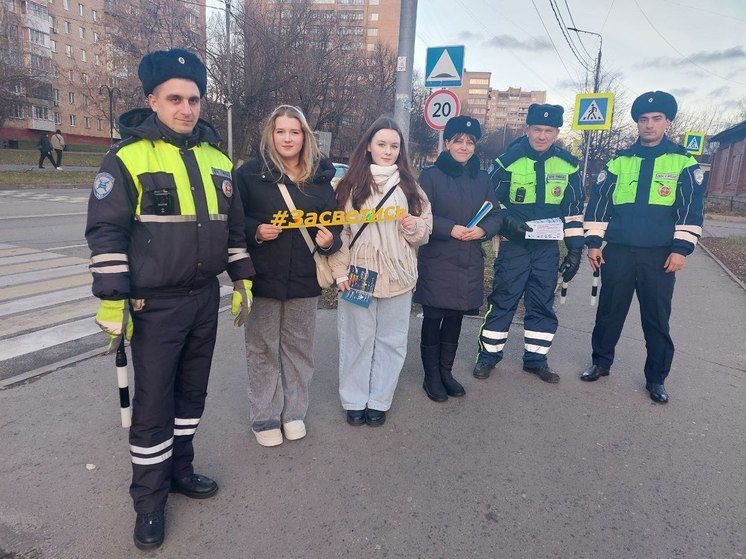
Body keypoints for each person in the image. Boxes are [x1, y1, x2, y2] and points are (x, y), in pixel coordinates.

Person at [85, 48, 255, 550]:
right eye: (175, 98)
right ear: (151, 100)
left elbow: (235, 230)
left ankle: (181, 472)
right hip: (153, 307)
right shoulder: (126, 158)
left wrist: (241, 280)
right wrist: (113, 298)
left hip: (204, 300)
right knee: (154, 406)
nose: (186, 108)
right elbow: (106, 232)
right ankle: (149, 500)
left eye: (194, 99)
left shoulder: (217, 159)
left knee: (191, 398)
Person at [581, 91, 705, 404]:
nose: (649, 125)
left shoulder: (683, 162)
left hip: (660, 255)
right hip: (619, 251)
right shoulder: (619, 161)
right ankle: (600, 362)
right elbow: (599, 203)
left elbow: (691, 208)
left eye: (656, 119)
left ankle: (656, 378)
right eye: (644, 119)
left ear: (668, 122)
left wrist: (681, 249)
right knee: (609, 313)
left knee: (656, 319)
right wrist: (594, 243)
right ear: (637, 123)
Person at [234, 105, 342, 447]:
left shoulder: (321, 178)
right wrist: (256, 231)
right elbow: (234, 222)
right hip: (262, 276)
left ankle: (294, 412)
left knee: (299, 348)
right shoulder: (250, 174)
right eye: (281, 131)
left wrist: (330, 240)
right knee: (262, 348)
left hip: (304, 280)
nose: (288, 138)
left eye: (294, 132)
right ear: (271, 134)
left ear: (305, 136)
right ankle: (264, 414)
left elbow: (334, 222)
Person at [329, 116, 432, 427]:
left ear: (401, 151)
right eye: (382, 144)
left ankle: (379, 400)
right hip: (359, 274)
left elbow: (424, 231)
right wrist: (340, 272)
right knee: (356, 339)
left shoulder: (412, 187)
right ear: (369, 147)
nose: (388, 151)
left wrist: (415, 227)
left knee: (392, 340)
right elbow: (342, 233)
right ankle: (354, 400)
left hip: (399, 275)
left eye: (394, 146)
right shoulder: (349, 186)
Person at [474, 104, 586, 383]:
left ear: (557, 133)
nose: (542, 136)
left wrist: (575, 250)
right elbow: (488, 202)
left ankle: (536, 360)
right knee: (503, 300)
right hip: (514, 245)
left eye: (549, 131)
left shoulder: (568, 165)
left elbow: (572, 213)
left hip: (546, 250)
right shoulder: (507, 162)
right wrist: (507, 221)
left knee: (541, 304)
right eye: (537, 129)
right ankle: (488, 357)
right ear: (527, 130)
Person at [413, 115, 502, 402]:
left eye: (470, 142)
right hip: (439, 258)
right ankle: (431, 377)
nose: (464, 146)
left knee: (455, 319)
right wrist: (448, 228)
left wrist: (483, 230)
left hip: (468, 259)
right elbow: (419, 215)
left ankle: (446, 372)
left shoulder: (482, 177)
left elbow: (497, 214)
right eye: (458, 141)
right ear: (447, 143)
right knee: (434, 317)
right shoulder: (430, 176)